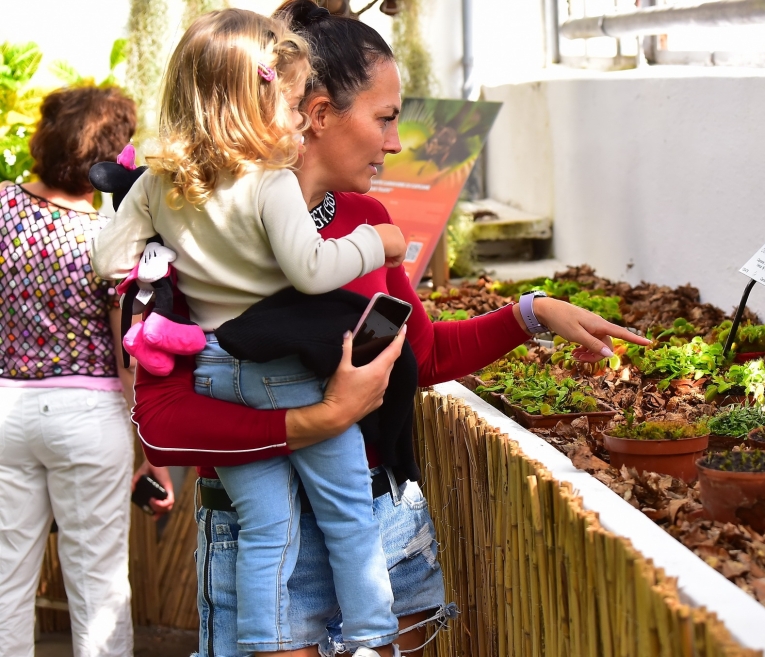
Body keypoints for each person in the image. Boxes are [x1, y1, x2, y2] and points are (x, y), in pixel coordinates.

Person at [128, 3, 651, 657]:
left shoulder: (367, 219)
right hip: (268, 548)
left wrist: (530, 314)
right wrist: (313, 421)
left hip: (381, 529)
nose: (398, 142)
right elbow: (162, 421)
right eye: (385, 117)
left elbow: (420, 355)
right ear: (316, 114)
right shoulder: (185, 228)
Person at [90, 10, 410, 657]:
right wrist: (376, 241)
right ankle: (376, 637)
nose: (298, 119)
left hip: (212, 370)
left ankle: (263, 642)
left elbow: (107, 261)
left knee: (264, 526)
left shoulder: (158, 183)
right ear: (260, 100)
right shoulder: (271, 184)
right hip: (288, 370)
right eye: (292, 103)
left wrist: (168, 257)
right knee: (348, 511)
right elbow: (312, 271)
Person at [0, 85, 173, 657]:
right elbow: (128, 357)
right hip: (87, 419)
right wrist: (152, 451)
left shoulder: (2, 208)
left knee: (6, 578)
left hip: (6, 410)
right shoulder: (109, 236)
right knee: (98, 582)